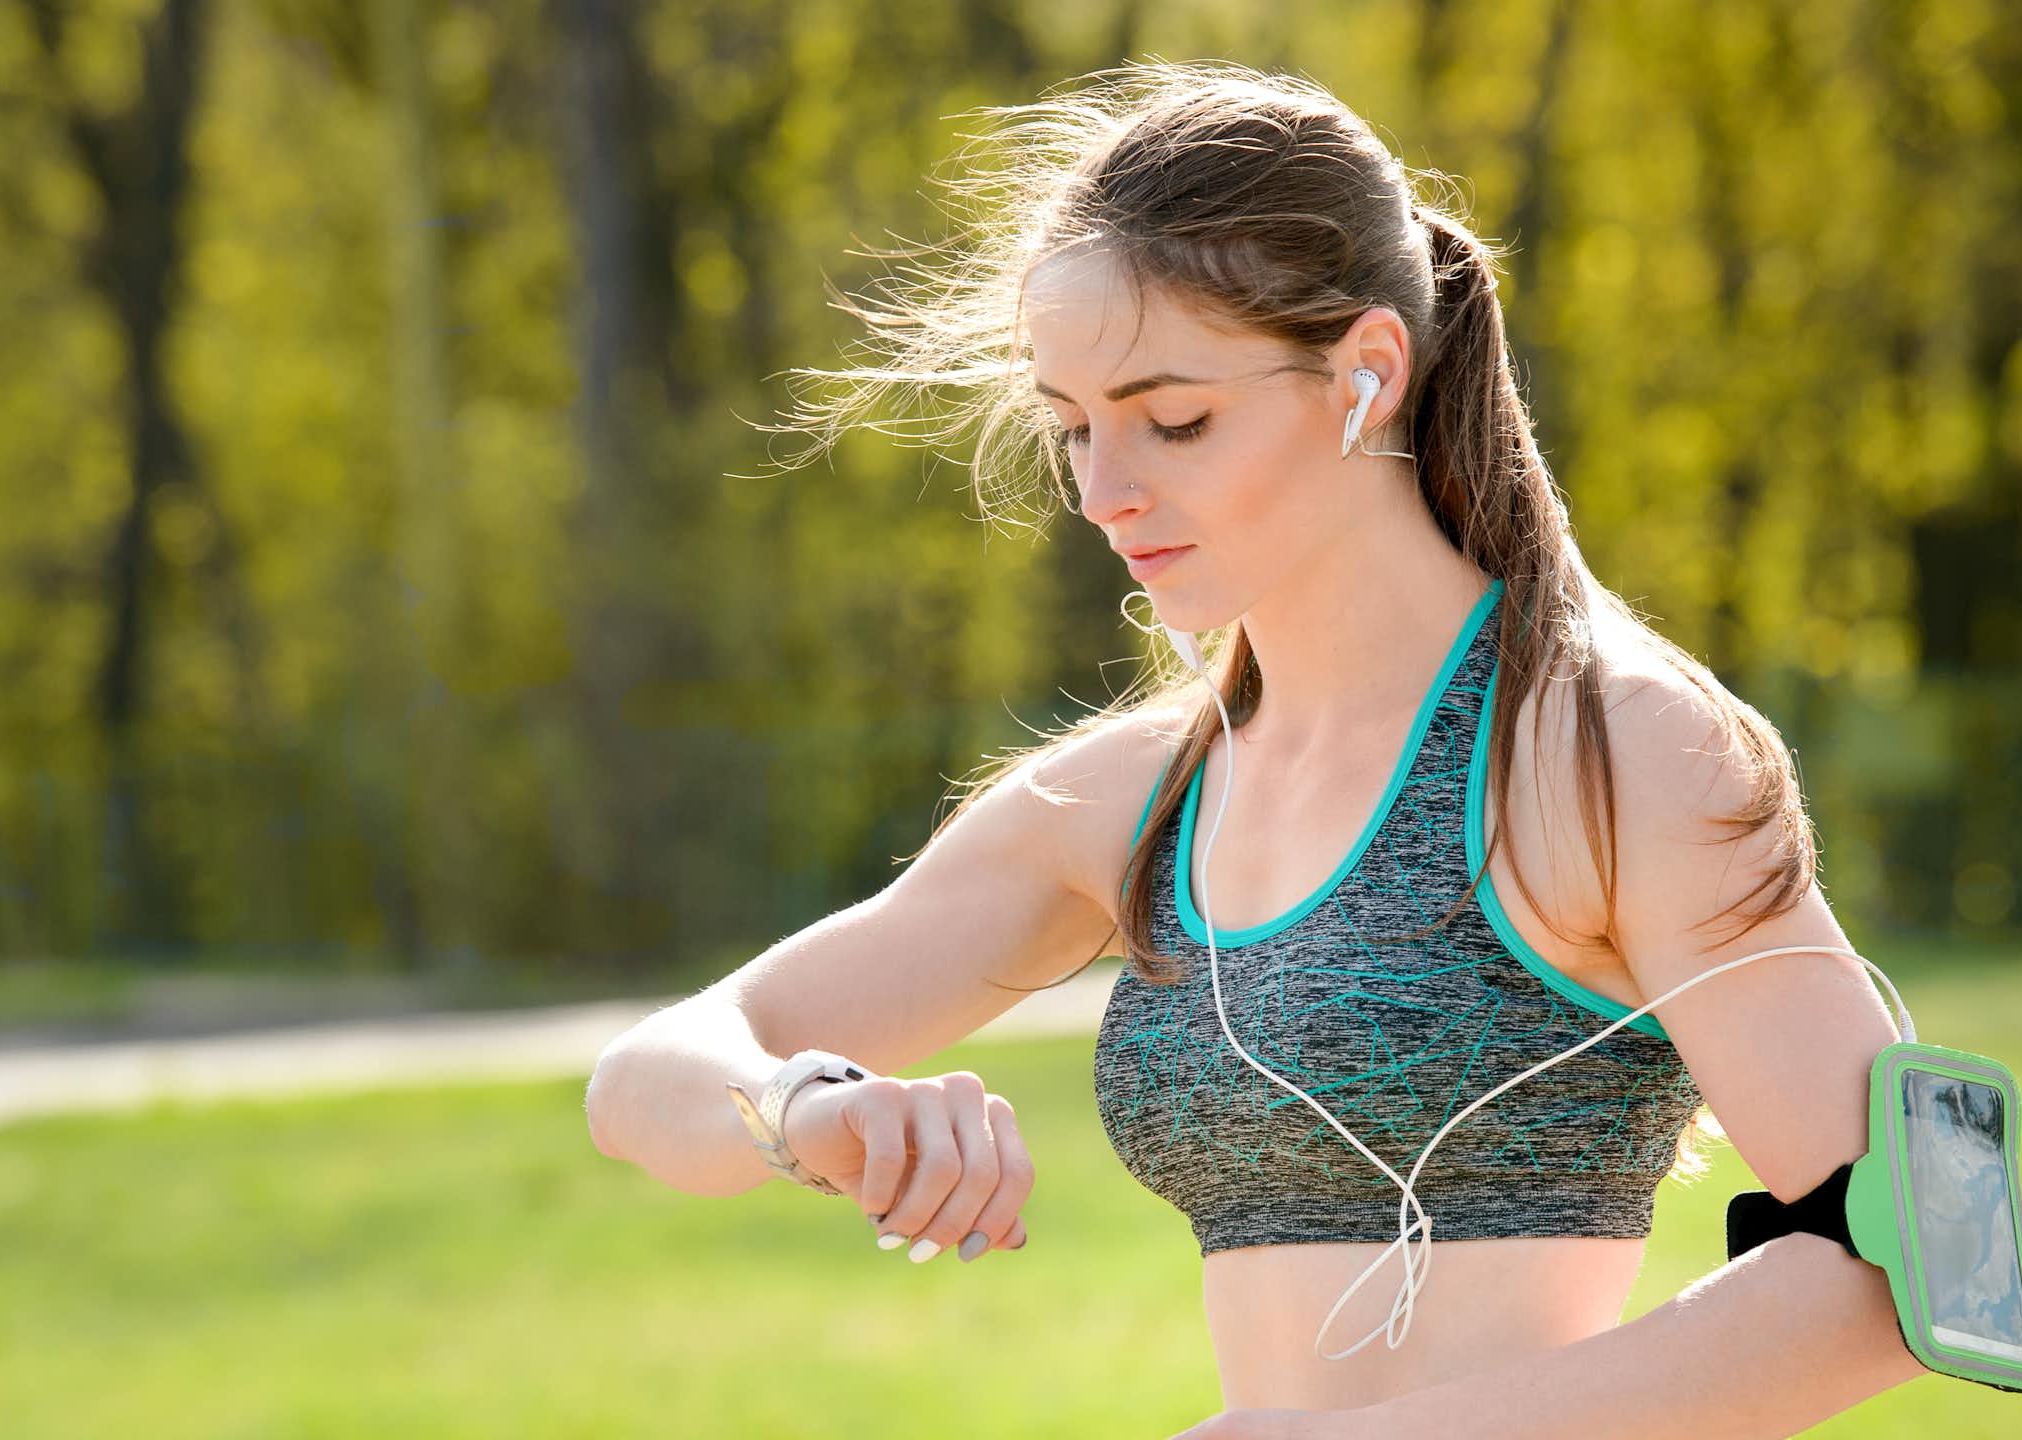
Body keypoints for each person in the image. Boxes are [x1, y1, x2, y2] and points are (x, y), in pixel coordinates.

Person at [587, 59, 1919, 1434]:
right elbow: (646, 1079)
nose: (1103, 494)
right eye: (1071, 432)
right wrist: (802, 1108)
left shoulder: (1610, 749)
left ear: (1367, 372)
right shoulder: (1131, 802)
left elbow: (1908, 1276)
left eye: (1174, 420)